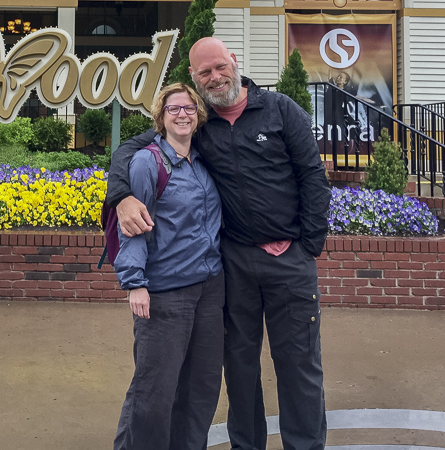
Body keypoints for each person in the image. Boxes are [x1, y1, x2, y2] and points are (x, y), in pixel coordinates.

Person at [106, 38, 332, 450]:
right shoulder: (198, 120)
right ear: (193, 78)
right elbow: (132, 149)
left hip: (291, 263)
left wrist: (307, 247)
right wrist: (121, 196)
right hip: (236, 267)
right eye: (204, 73)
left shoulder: (281, 110)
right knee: (239, 368)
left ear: (234, 63)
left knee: (299, 366)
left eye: (219, 67)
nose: (214, 77)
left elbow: (313, 178)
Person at [112, 83, 224, 450]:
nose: (182, 114)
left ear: (199, 115)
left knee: (201, 388)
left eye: (189, 108)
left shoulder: (204, 160)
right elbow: (132, 227)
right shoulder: (148, 162)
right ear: (161, 117)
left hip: (208, 291)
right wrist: (135, 283)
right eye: (173, 109)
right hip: (165, 293)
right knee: (155, 391)